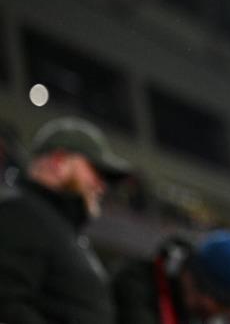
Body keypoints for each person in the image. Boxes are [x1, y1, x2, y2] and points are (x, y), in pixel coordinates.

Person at [0, 116, 132, 324]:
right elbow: (7, 304)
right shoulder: (20, 212)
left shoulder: (56, 225)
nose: (101, 186)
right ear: (58, 162)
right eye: (96, 171)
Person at [113, 229, 230, 324]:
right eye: (201, 287)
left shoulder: (195, 315)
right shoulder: (136, 285)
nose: (209, 305)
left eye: (223, 306)